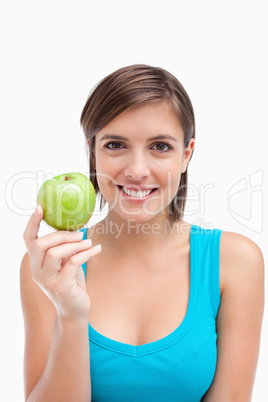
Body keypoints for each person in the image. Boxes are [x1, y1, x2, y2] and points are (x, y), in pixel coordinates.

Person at [21, 64, 264, 401]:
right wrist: (71, 315)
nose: (136, 170)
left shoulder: (234, 262)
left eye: (160, 146)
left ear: (186, 154)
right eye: (115, 145)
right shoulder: (53, 266)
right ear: (93, 152)